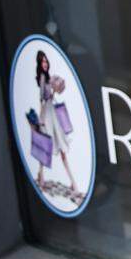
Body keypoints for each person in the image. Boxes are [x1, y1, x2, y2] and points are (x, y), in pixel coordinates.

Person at [34, 50, 77, 193]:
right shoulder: (42, 78)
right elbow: (42, 100)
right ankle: (41, 176)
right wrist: (40, 121)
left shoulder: (48, 78)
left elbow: (50, 97)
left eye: (46, 61)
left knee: (60, 146)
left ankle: (72, 182)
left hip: (52, 113)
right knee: (46, 145)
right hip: (47, 115)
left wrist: (54, 89)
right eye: (43, 62)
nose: (45, 64)